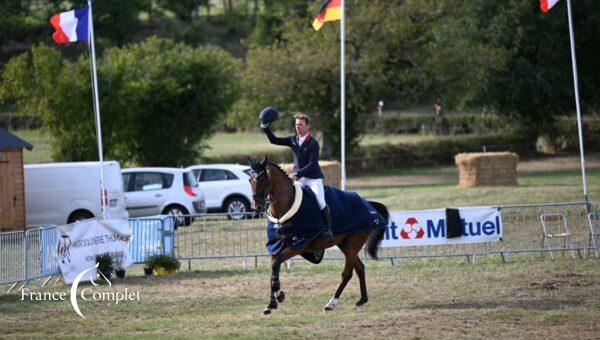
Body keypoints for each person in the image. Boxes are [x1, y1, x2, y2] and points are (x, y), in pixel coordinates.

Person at [260, 112, 333, 242]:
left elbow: (312, 164)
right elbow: (274, 140)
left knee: (320, 202)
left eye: (300, 125)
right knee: (290, 199)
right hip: (299, 179)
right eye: (296, 124)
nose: (297, 127)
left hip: (312, 179)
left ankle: (328, 229)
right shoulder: (293, 140)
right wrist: (265, 128)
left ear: (307, 126)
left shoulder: (313, 143)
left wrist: (297, 174)